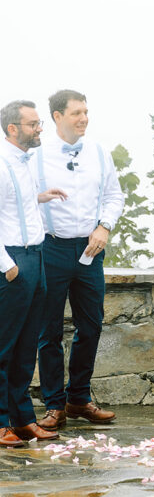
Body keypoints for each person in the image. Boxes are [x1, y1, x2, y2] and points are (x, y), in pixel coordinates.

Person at [30, 90, 124, 432]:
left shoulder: (99, 152)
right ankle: (55, 406)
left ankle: (79, 398)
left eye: (86, 111)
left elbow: (114, 195)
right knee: (48, 331)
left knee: (92, 325)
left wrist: (104, 226)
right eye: (76, 113)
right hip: (50, 249)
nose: (84, 118)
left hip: (90, 251)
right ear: (57, 117)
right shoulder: (36, 155)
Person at [0, 101, 66, 448]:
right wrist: (7, 265)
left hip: (36, 258)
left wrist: (39, 198)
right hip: (12, 262)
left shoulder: (23, 163)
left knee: (27, 347)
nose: (39, 128)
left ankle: (23, 420)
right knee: (3, 347)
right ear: (13, 129)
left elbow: (15, 206)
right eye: (33, 124)